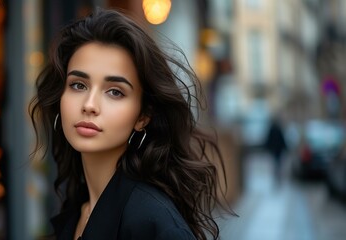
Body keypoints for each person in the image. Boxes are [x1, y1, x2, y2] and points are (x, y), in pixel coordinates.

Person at [29, 8, 230, 240]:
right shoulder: (77, 211)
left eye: (115, 92)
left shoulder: (155, 224)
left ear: (143, 116)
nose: (90, 105)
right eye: (78, 85)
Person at [264, 117, 287, 184]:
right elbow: (282, 139)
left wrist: (268, 147)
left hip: (275, 149)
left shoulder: (272, 129)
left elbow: (269, 139)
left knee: (276, 163)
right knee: (278, 163)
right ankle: (277, 175)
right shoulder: (278, 129)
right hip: (278, 149)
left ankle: (277, 175)